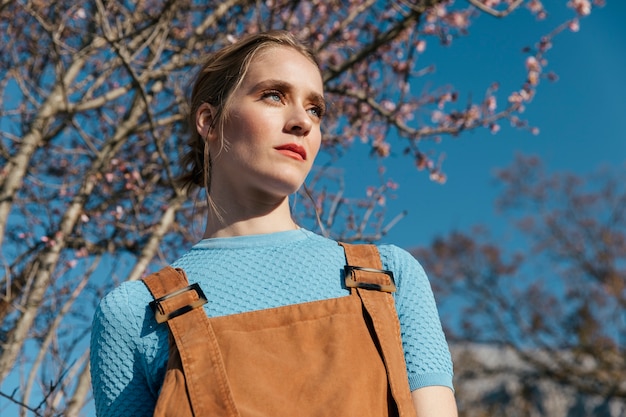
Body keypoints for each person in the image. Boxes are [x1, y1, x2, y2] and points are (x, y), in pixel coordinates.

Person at [90, 30, 457, 417]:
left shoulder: (388, 277)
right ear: (209, 121)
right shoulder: (135, 313)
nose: (302, 121)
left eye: (315, 109)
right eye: (274, 95)